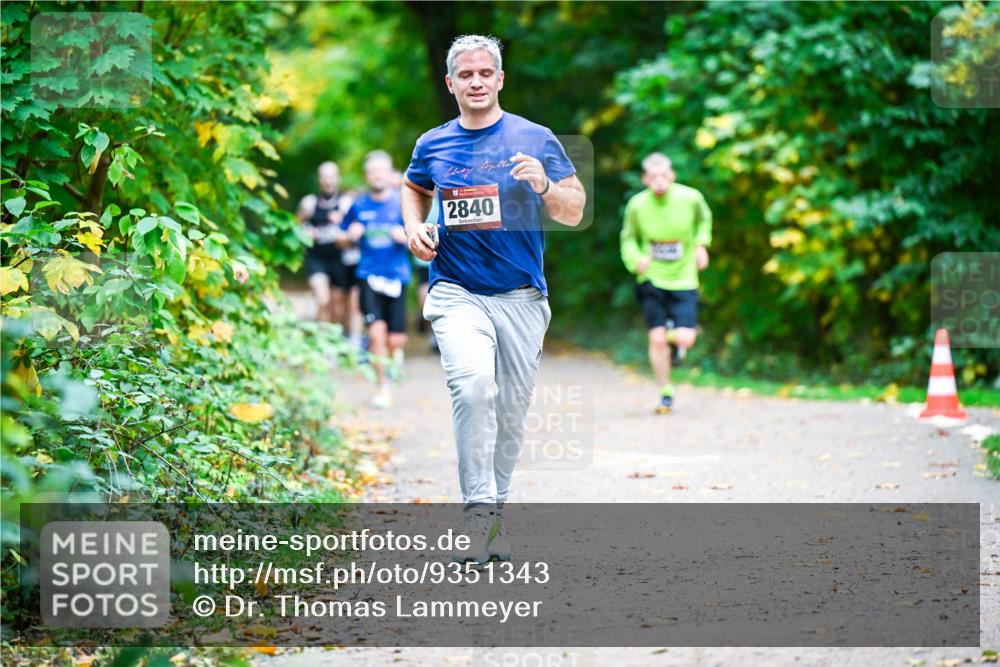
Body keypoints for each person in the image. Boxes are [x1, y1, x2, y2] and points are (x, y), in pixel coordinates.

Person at [401, 35, 586, 564]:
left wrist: (547, 185)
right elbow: (414, 187)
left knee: (510, 411)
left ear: (500, 79)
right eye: (466, 75)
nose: (476, 82)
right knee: (475, 388)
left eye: (486, 73)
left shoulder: (535, 137)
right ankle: (478, 514)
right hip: (455, 290)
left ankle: (495, 509)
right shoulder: (432, 144)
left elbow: (573, 209)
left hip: (522, 297)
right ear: (451, 83)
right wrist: (413, 227)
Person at [620, 152, 713, 414]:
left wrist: (701, 245)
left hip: (684, 277)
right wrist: (635, 259)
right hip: (651, 278)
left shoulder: (691, 198)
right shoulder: (637, 206)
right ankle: (665, 392)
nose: (659, 181)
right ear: (645, 179)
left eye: (664, 176)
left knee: (686, 337)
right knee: (656, 339)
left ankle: (676, 342)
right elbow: (628, 238)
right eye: (653, 177)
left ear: (672, 176)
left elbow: (704, 220)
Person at [345, 151, 411, 409]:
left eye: (381, 171)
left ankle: (393, 359)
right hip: (368, 275)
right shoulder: (358, 205)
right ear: (367, 176)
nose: (377, 176)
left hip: (397, 276)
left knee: (396, 340)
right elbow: (342, 235)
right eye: (372, 172)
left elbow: (420, 235)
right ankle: (383, 387)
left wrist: (405, 235)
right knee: (376, 332)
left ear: (389, 171)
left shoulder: (402, 203)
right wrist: (350, 234)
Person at [297, 162, 361, 343]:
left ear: (338, 178)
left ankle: (331, 339)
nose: (328, 181)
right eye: (324, 176)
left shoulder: (346, 203)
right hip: (317, 258)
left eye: (331, 176)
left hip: (340, 260)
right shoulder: (309, 203)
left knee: (337, 306)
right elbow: (296, 226)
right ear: (319, 180)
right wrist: (305, 233)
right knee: (322, 298)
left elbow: (356, 228)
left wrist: (344, 230)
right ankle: (322, 342)